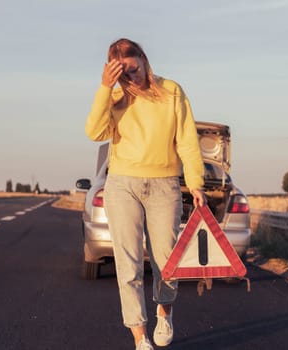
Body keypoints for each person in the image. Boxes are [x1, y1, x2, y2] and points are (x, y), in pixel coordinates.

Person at [85, 38, 205, 350]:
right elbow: (94, 133)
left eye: (134, 69)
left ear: (144, 60)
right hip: (122, 185)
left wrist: (195, 183)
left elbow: (188, 141)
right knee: (129, 264)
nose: (131, 78)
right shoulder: (113, 96)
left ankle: (164, 313)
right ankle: (140, 338)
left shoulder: (172, 91)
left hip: (164, 184)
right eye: (123, 74)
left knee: (166, 262)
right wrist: (104, 89)